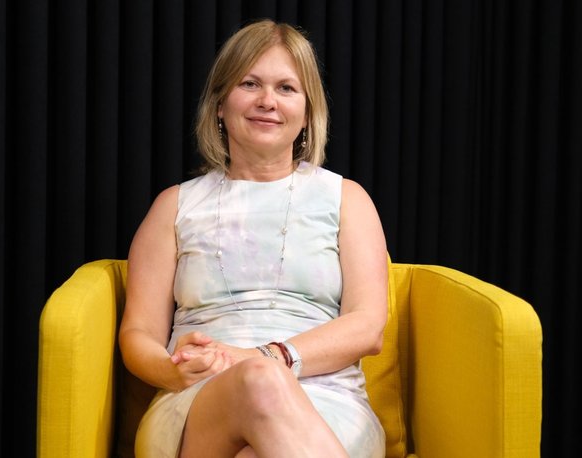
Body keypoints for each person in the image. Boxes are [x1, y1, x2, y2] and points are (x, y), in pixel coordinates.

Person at [119, 19, 388, 457]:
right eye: (249, 84)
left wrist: (264, 357)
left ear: (308, 112)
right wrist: (172, 371)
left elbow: (368, 326)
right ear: (220, 104)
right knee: (258, 382)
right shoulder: (174, 206)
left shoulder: (347, 200)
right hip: (198, 401)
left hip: (328, 403)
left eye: (286, 88)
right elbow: (138, 332)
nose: (267, 101)